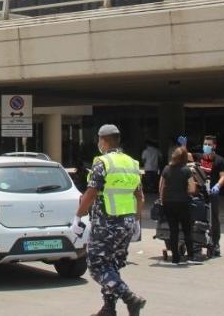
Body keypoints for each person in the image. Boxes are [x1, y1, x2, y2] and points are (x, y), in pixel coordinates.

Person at [72, 124, 146, 316]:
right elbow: (140, 197)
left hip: (107, 223)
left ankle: (130, 298)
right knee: (111, 265)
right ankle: (108, 308)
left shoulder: (103, 163)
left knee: (97, 265)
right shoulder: (132, 163)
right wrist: (137, 221)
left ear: (103, 141)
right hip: (127, 223)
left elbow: (91, 193)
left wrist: (78, 216)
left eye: (99, 140)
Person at [160, 147, 198, 266]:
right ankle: (191, 256)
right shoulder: (186, 170)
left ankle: (175, 258)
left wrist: (162, 200)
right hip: (183, 202)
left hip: (168, 203)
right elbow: (192, 188)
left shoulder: (166, 169)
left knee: (173, 230)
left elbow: (161, 186)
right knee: (187, 229)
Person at [198, 135, 224, 256]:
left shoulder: (219, 160)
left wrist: (218, 186)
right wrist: (183, 146)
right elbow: (185, 156)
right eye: (205, 144)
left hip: (213, 193)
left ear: (214, 146)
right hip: (200, 192)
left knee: (214, 219)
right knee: (198, 217)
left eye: (209, 145)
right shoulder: (200, 157)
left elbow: (223, 176)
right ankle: (198, 242)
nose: (207, 146)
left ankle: (215, 243)